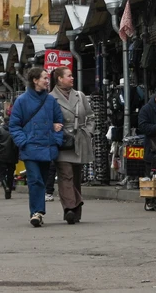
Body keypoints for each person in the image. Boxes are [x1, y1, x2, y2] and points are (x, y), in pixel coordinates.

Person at [9, 66, 63, 227]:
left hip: (47, 147)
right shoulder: (22, 101)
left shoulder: (50, 101)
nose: (47, 81)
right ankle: (37, 212)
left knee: (43, 180)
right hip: (30, 148)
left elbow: (59, 122)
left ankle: (37, 212)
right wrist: (23, 142)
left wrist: (56, 140)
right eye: (44, 78)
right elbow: (14, 125)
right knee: (35, 180)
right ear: (35, 80)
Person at [50, 66, 95, 224]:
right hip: (62, 142)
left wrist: (88, 132)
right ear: (60, 79)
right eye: (69, 76)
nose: (72, 78)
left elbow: (90, 116)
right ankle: (69, 208)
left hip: (79, 140)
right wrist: (53, 128)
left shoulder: (80, 95)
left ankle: (76, 211)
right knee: (66, 175)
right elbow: (46, 119)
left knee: (76, 177)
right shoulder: (50, 98)